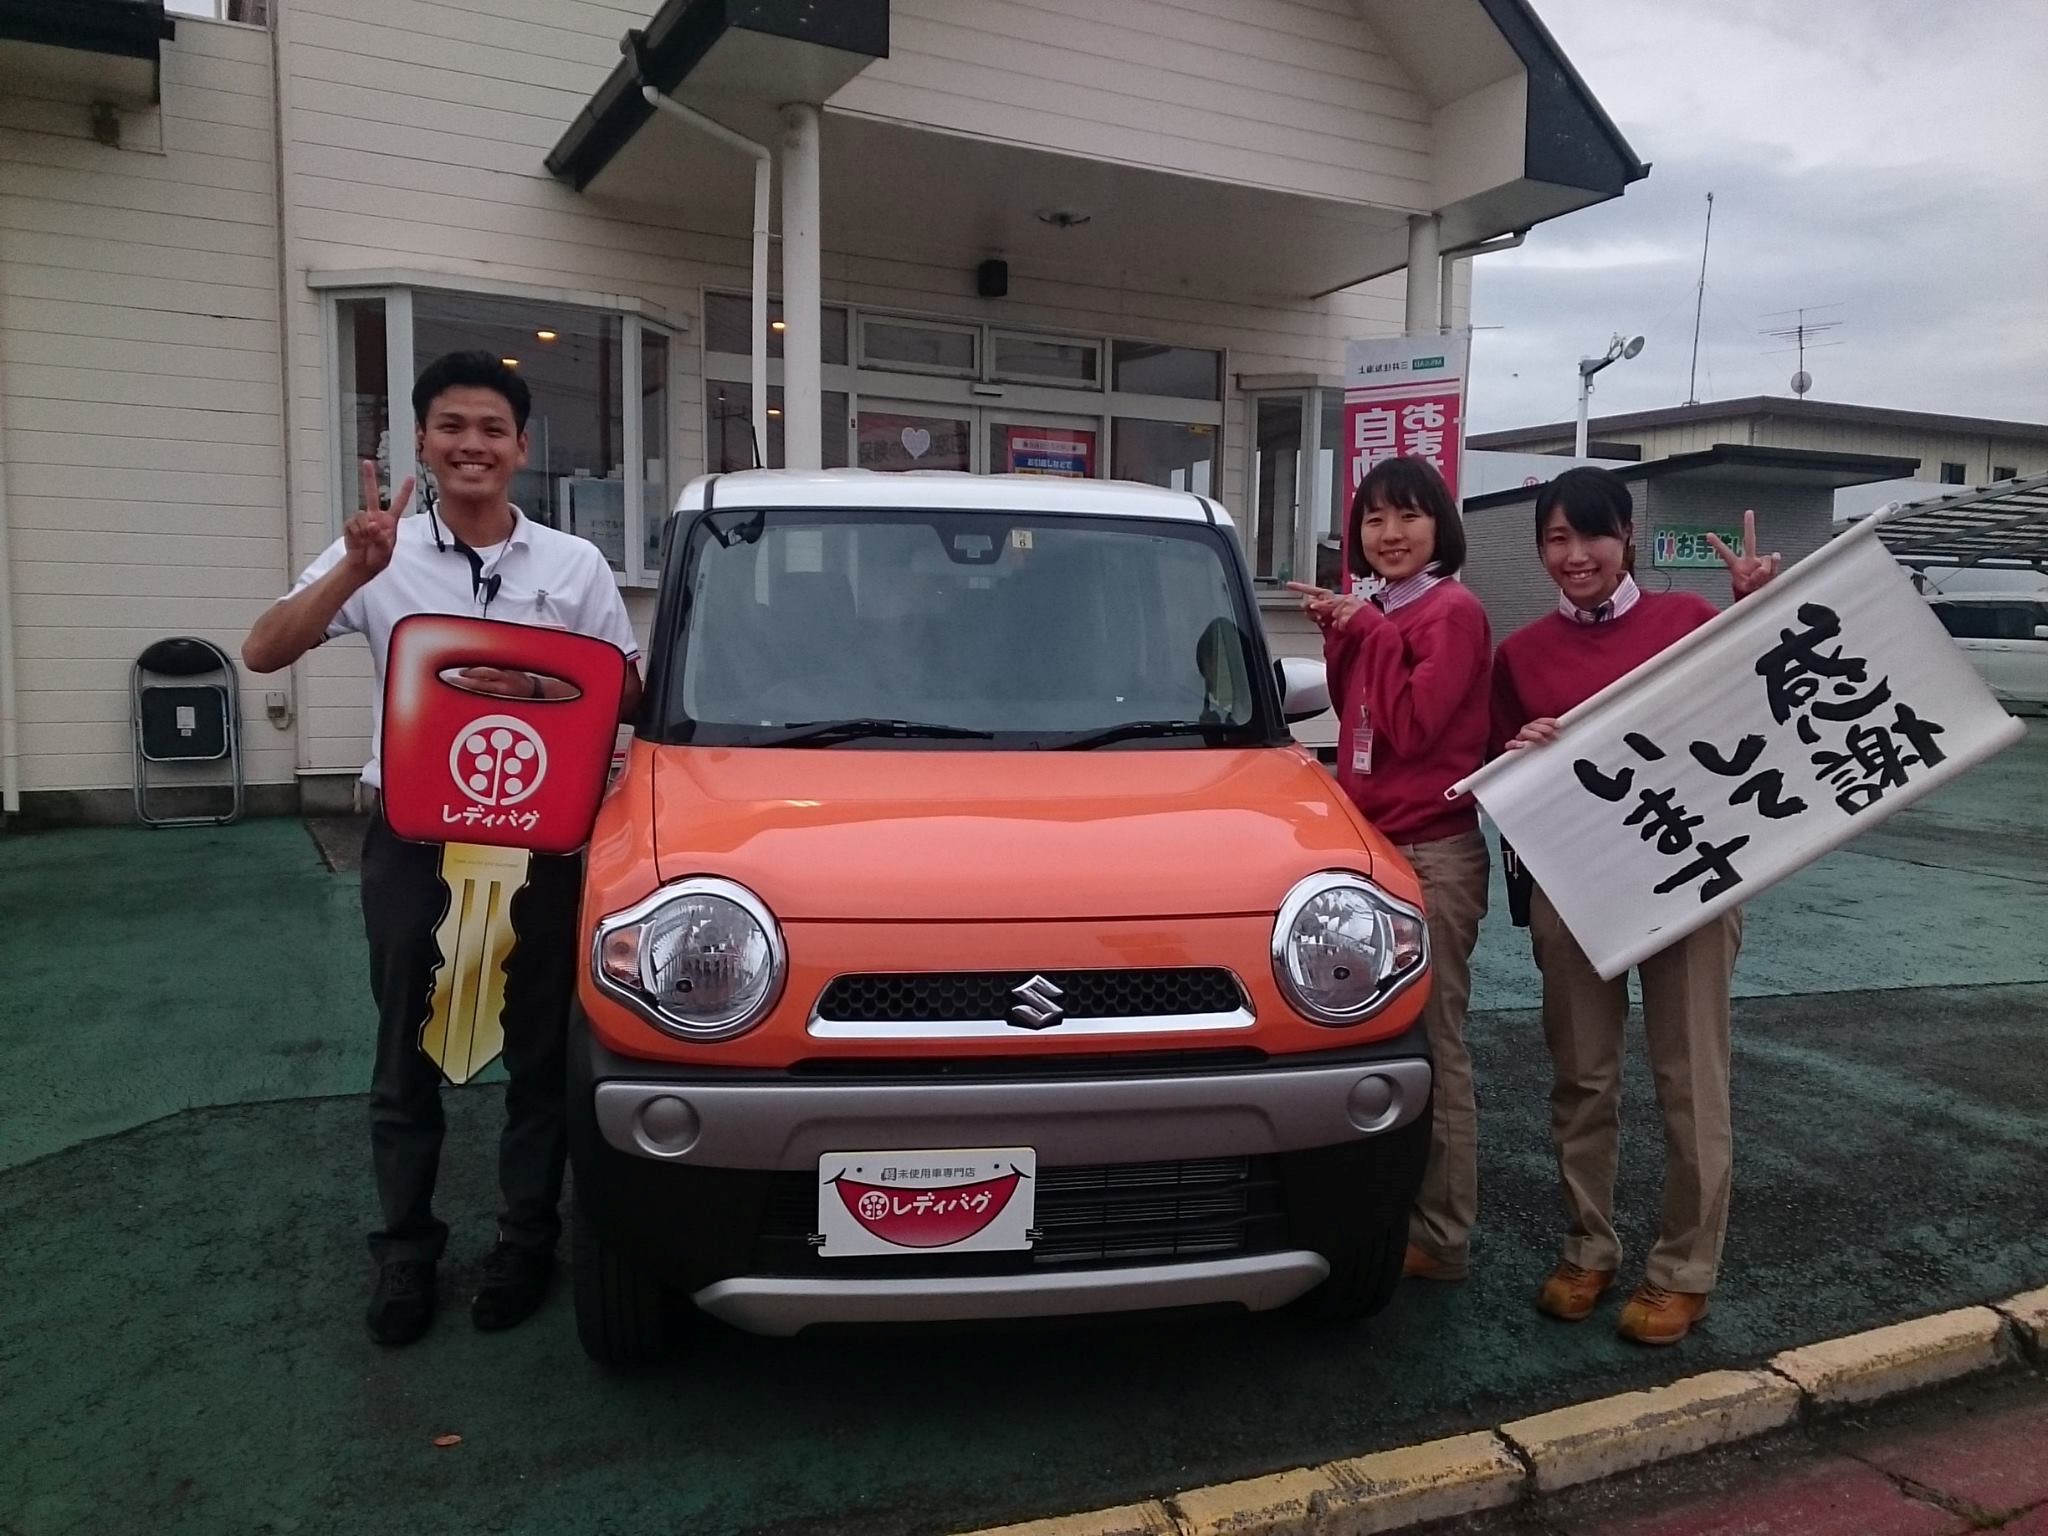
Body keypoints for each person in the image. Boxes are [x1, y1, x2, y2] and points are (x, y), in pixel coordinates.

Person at [243, 351, 643, 1347]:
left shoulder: (571, 565)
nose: (473, 445)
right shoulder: (381, 555)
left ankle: (523, 1244)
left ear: (519, 447)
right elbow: (264, 649)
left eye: (492, 429)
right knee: (406, 1053)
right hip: (414, 839)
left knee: (539, 1055)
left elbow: (628, 692)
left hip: (543, 841)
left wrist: (554, 691)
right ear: (419, 441)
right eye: (452, 427)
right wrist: (353, 568)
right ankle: (406, 1254)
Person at [1491, 466, 1780, 1345]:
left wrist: (1753, 612)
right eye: (1556, 539)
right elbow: (1491, 771)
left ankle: (1683, 1270)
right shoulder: (1522, 655)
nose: (1575, 556)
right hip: (1572, 887)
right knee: (1582, 1078)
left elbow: (1759, 713)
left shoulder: (1688, 621)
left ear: (1626, 537)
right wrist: (1519, 746)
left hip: (1689, 883)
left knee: (1690, 1080)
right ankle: (1589, 1248)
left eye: (1592, 535)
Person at [1288, 455, 1493, 1285]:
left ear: (1440, 525)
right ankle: (1406, 1210)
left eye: (1407, 516)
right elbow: (1355, 712)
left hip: (1433, 854)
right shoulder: (1390, 607)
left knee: (1436, 1044)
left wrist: (1366, 631)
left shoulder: (1452, 612)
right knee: (1386, 1037)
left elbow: (1410, 730)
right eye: (1374, 520)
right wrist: (1347, 635)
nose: (1391, 534)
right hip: (1382, 847)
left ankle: (1443, 1234)